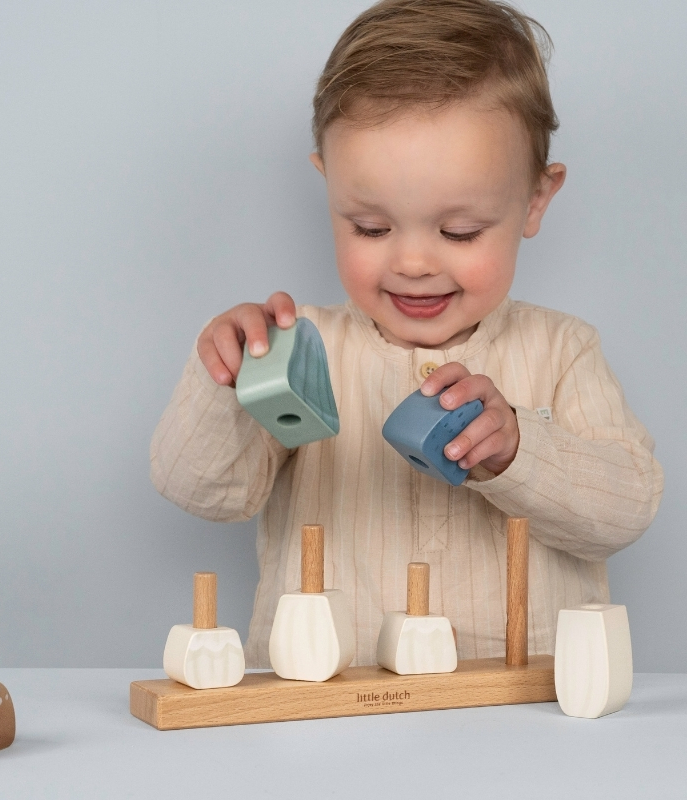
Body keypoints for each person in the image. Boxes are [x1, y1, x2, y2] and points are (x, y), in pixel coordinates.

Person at [150, 0, 664, 668]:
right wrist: (227, 379)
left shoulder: (563, 350)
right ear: (328, 185)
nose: (414, 263)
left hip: (516, 707)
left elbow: (626, 510)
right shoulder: (302, 348)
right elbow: (202, 492)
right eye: (369, 227)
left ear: (535, 200)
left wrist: (519, 452)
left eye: (459, 232)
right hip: (327, 704)